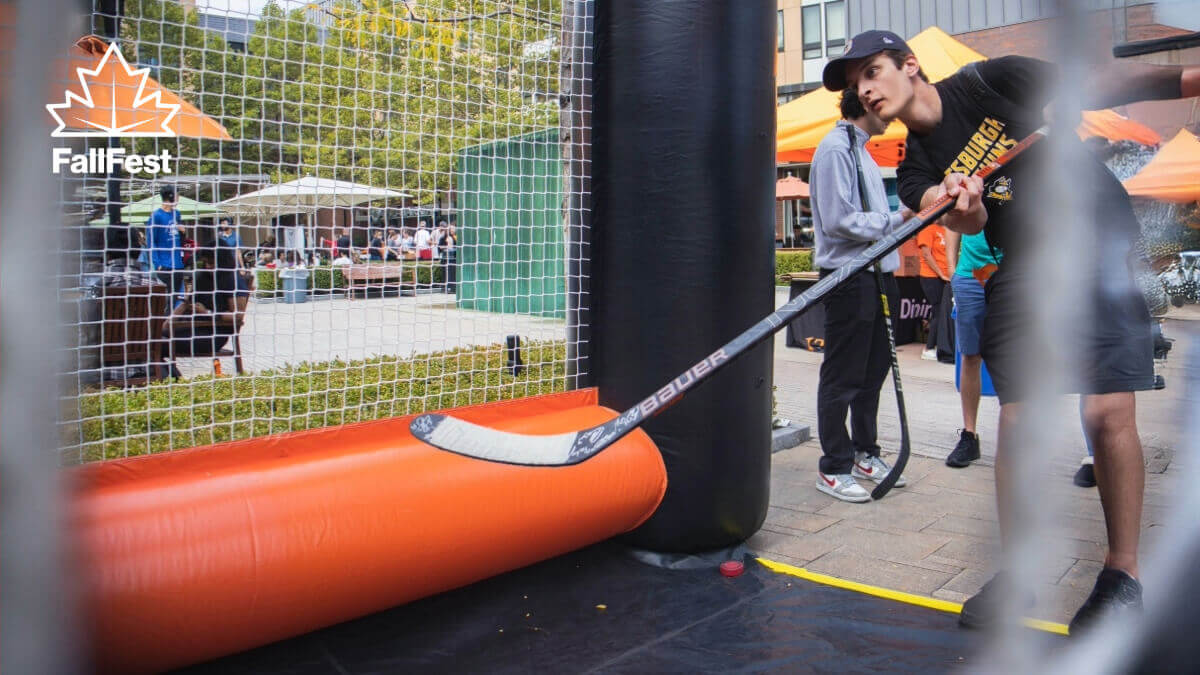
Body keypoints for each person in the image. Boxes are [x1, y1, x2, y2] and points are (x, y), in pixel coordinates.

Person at [827, 29, 1199, 632]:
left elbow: (1098, 82)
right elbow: (963, 218)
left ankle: (1122, 575)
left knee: (1106, 414)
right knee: (1019, 421)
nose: (865, 89)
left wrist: (1186, 81)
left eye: (872, 71)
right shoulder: (915, 162)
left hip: (1095, 239)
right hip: (1022, 262)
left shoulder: (988, 80)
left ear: (909, 65)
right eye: (855, 84)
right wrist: (966, 204)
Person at [809, 86, 911, 504]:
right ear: (864, 104)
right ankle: (833, 465)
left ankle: (864, 452)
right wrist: (896, 218)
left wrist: (907, 221)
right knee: (843, 374)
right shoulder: (835, 149)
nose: (890, 111)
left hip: (877, 274)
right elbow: (838, 220)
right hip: (848, 276)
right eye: (882, 102)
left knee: (873, 372)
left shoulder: (864, 151)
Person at [942, 229, 1000, 468]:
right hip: (970, 276)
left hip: (1009, 275)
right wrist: (951, 268)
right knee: (970, 356)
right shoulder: (969, 189)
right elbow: (954, 222)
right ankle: (969, 434)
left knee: (1015, 357)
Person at [917, 223, 950, 361]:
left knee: (942, 312)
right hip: (931, 276)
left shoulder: (947, 229)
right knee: (937, 310)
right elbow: (926, 254)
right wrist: (940, 274)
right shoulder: (928, 229)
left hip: (946, 276)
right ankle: (929, 348)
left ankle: (938, 345)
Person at [147, 186, 187, 300]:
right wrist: (157, 263)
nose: (178, 199)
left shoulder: (177, 214)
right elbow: (151, 241)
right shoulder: (156, 216)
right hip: (164, 265)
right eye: (177, 196)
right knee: (165, 299)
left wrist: (183, 232)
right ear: (171, 196)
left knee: (175, 298)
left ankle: (171, 318)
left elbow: (181, 238)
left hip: (178, 264)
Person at [438, 222, 458, 292]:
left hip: (453, 258)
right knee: (445, 274)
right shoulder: (443, 237)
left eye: (454, 229)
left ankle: (453, 288)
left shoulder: (455, 237)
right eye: (451, 229)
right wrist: (446, 247)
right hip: (445, 258)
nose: (453, 231)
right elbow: (440, 246)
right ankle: (445, 288)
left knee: (453, 274)